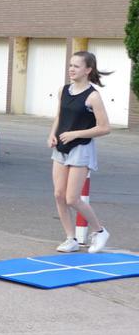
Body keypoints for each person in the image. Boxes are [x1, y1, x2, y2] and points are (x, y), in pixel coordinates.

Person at [49, 51, 112, 253]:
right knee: (59, 195)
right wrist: (52, 134)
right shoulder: (63, 90)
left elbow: (104, 128)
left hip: (81, 149)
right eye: (70, 65)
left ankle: (100, 231)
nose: (71, 69)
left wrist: (75, 134)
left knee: (72, 198)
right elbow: (59, 116)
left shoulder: (93, 96)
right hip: (61, 147)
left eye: (76, 66)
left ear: (88, 70)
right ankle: (71, 239)